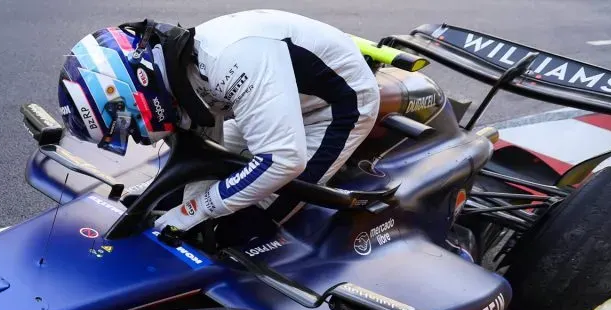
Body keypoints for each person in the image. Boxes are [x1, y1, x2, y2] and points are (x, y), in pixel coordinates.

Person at [57, 9, 381, 232]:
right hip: (277, 94)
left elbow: (283, 160)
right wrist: (168, 207)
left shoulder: (231, 63)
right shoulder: (179, 68)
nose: (132, 136)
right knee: (177, 197)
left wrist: (194, 213)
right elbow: (201, 155)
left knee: (250, 220)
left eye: (122, 124)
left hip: (334, 107)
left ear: (136, 86)